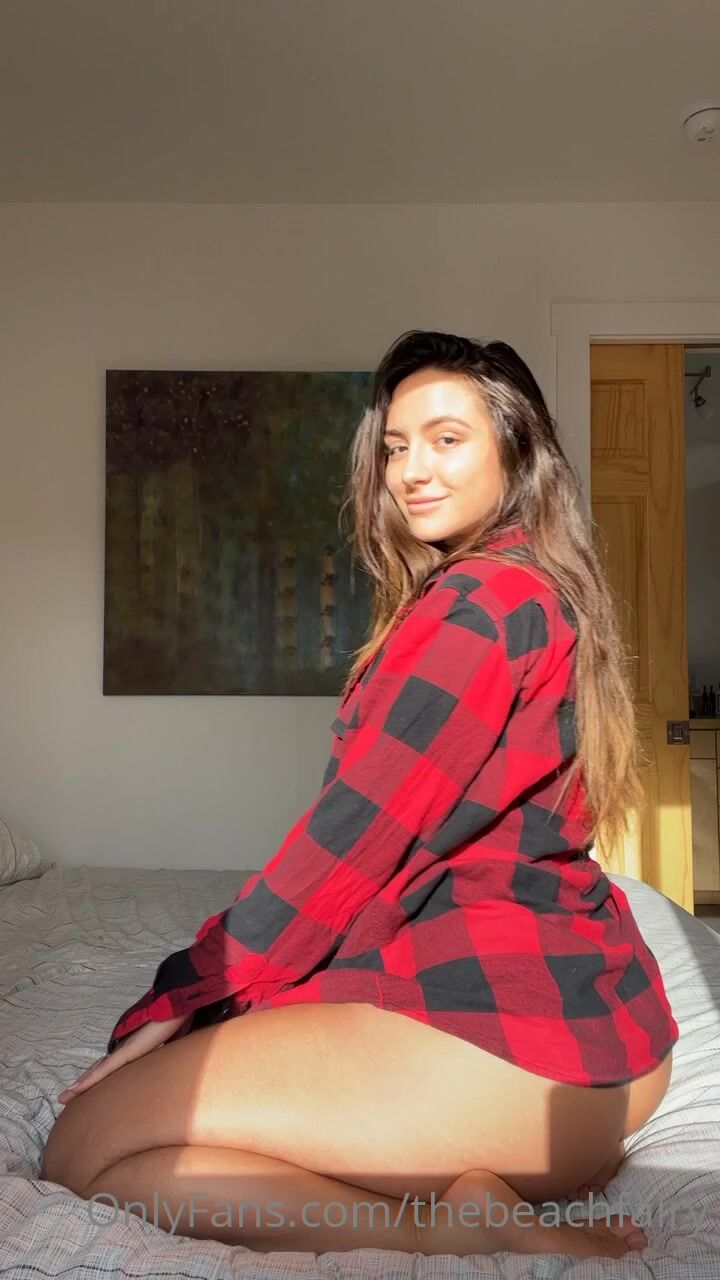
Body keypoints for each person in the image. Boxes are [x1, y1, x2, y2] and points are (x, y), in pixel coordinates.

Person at [42, 329, 678, 1260]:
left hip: (524, 1063)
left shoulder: (479, 606)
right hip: (602, 1045)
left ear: (516, 451)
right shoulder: (542, 591)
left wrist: (183, 992)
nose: (412, 470)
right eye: (395, 447)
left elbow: (343, 847)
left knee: (82, 1149)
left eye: (447, 439)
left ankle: (448, 1231)